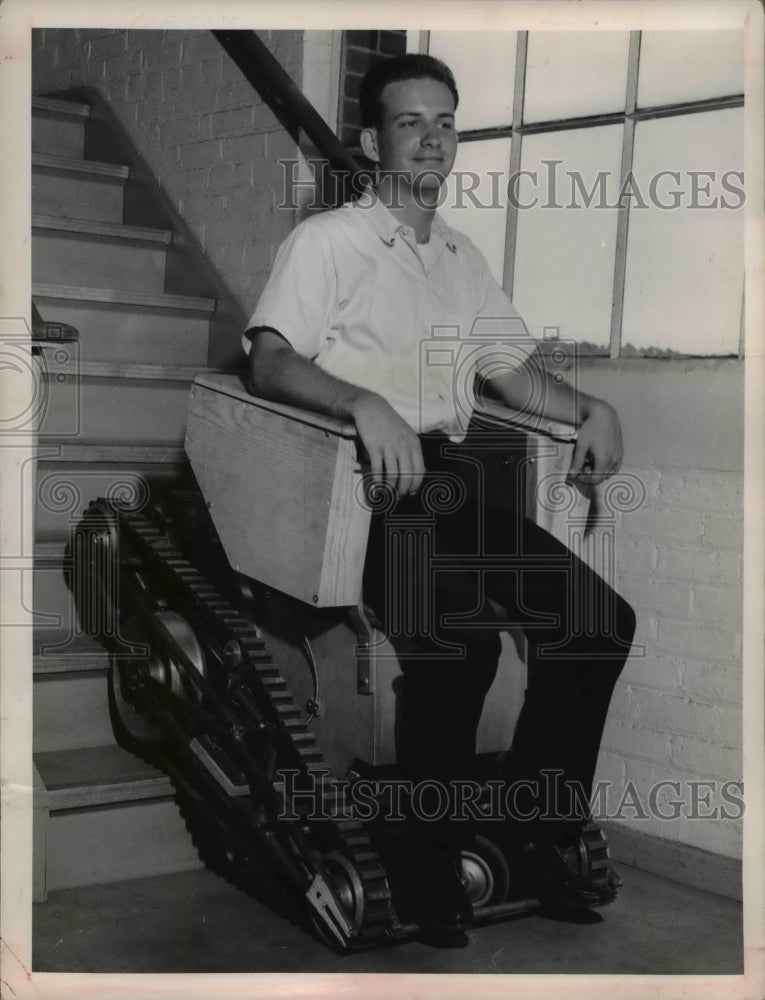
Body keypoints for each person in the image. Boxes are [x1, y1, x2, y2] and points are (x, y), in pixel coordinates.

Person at [242, 53, 636, 941]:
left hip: (445, 482)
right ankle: (423, 866)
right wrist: (361, 401)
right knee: (457, 644)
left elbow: (507, 372)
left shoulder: (457, 255)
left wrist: (590, 407)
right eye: (410, 122)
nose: (431, 138)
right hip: (355, 486)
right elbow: (267, 358)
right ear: (372, 139)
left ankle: (533, 834)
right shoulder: (327, 243)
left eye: (445, 122)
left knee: (596, 621)